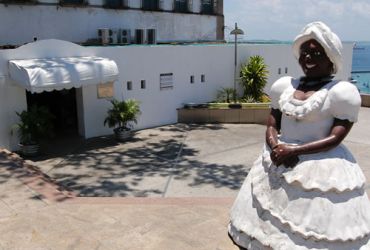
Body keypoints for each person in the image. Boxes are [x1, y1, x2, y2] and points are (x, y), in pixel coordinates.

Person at [228, 21, 370, 250]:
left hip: (320, 162)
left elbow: (336, 137)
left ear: (330, 59)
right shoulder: (285, 86)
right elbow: (273, 123)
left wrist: (295, 150)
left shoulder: (341, 92)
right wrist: (275, 145)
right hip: (279, 155)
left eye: (315, 52)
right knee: (266, 209)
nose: (308, 57)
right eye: (304, 52)